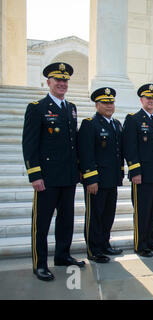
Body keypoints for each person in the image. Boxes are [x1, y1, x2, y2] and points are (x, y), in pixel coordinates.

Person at [22, 62, 85, 282]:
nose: (62, 84)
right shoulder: (37, 107)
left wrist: (78, 169)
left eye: (65, 80)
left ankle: (62, 255)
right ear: (48, 82)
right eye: (57, 80)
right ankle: (39, 264)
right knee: (42, 223)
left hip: (68, 177)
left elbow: (73, 143)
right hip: (47, 178)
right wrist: (35, 175)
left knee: (66, 220)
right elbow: (29, 144)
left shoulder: (71, 108)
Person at [78, 87, 124, 264]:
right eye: (105, 103)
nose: (109, 105)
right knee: (95, 216)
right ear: (97, 105)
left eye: (111, 102)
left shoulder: (116, 124)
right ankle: (93, 249)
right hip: (96, 180)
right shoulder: (90, 124)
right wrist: (90, 179)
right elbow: (86, 154)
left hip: (112, 179)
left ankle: (104, 244)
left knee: (108, 214)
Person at [123, 83, 153, 257]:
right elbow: (130, 148)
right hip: (142, 174)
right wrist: (135, 171)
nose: (151, 101)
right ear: (142, 99)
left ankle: (151, 241)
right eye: (148, 98)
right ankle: (140, 245)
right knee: (142, 211)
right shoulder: (133, 119)